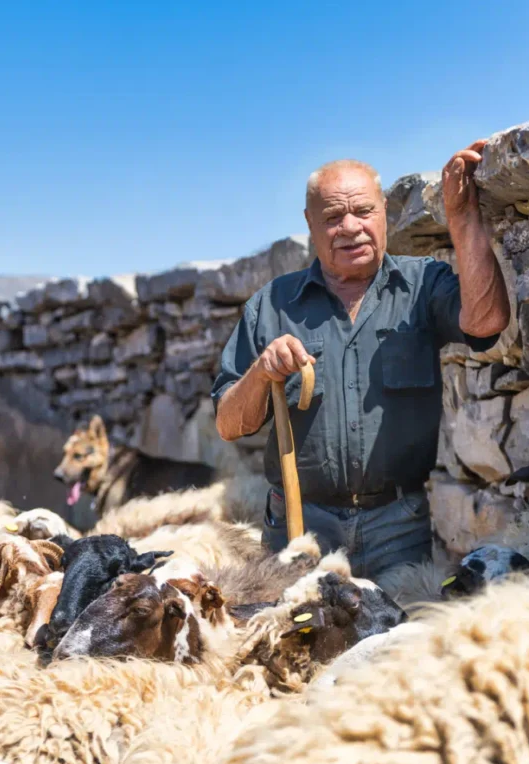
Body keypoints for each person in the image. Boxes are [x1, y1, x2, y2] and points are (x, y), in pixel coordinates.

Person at [212, 146, 510, 580]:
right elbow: (228, 424)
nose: (350, 227)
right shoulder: (272, 305)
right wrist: (262, 372)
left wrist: (462, 216)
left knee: (398, 640)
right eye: (333, 217)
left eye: (363, 211)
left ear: (383, 212)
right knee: (299, 644)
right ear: (310, 224)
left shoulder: (422, 284)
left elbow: (487, 323)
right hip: (299, 528)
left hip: (398, 523)